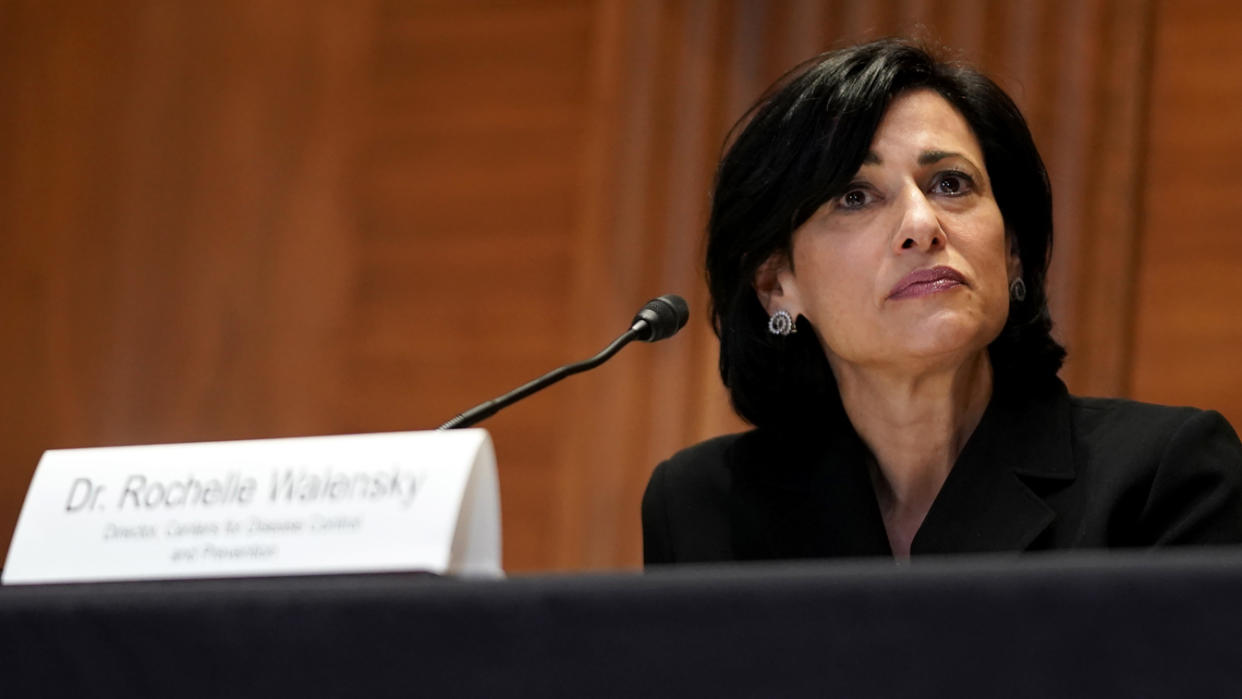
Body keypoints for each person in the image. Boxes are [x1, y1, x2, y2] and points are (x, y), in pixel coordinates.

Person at [642, 38, 1242, 564]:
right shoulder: (702, 509)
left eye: (950, 184)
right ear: (777, 284)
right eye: (855, 196)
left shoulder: (1164, 478)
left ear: (1011, 252)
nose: (921, 224)